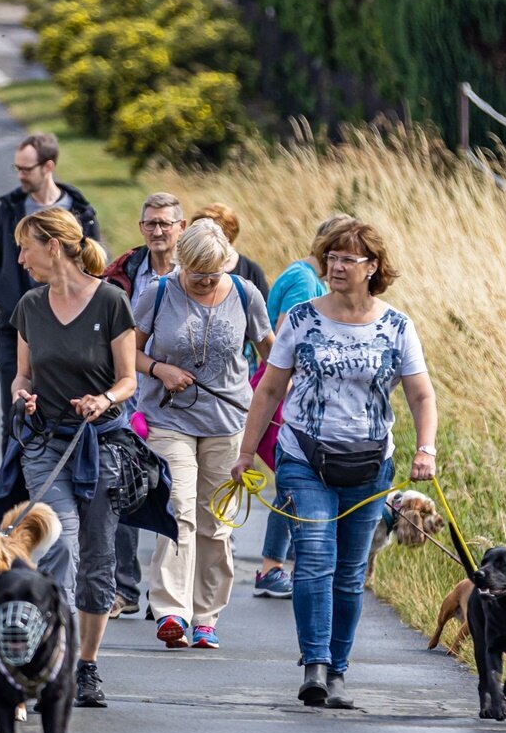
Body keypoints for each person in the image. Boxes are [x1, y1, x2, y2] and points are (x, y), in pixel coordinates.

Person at [233, 219, 438, 710]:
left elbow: (421, 394)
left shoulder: (396, 325)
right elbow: (269, 388)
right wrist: (245, 452)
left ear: (373, 267)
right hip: (305, 456)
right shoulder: (302, 318)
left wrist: (425, 448)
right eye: (331, 257)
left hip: (370, 466)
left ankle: (340, 671)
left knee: (349, 573)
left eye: (348, 259)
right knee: (316, 560)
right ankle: (316, 666)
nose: (336, 266)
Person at [7, 207, 137, 708]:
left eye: (27, 247)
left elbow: (128, 380)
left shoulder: (110, 302)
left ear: (54, 246)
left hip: (102, 443)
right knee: (58, 543)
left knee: (99, 560)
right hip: (47, 444)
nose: (21, 259)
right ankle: (52, 658)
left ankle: (87, 667)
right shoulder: (30, 307)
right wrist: (24, 396)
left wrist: (104, 399)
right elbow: (22, 376)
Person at [135, 218, 273, 650]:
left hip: (228, 421)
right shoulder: (157, 293)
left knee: (215, 524)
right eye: (197, 274)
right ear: (182, 262)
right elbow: (126, 353)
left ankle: (206, 616)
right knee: (179, 511)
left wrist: (277, 394)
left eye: (213, 274)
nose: (206, 281)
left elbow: (272, 352)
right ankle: (172, 611)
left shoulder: (246, 294)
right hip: (168, 418)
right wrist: (160, 369)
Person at [253, 213, 353, 599]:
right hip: (285, 390)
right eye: (341, 254)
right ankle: (272, 567)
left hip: (290, 391)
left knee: (295, 479)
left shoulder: (306, 276)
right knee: (292, 479)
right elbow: (283, 335)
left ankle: (291, 564)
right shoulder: (303, 279)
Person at [0, 131, 100, 451]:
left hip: (67, 328)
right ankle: (14, 492)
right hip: (14, 326)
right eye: (17, 168)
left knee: (59, 409)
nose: (20, 175)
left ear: (48, 166)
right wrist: (5, 296)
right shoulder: (11, 207)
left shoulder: (80, 211)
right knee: (16, 412)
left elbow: (94, 264)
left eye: (26, 169)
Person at [101, 192, 186, 619]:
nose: (157, 231)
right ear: (141, 228)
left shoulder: (199, 271)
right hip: (129, 396)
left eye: (165, 223)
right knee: (124, 490)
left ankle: (168, 595)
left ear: (181, 228)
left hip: (182, 404)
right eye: (150, 223)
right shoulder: (121, 273)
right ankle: (124, 588)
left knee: (176, 496)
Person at [189, 202, 269, 297]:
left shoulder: (251, 271)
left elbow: (265, 310)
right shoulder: (187, 269)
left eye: (209, 233)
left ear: (228, 235)